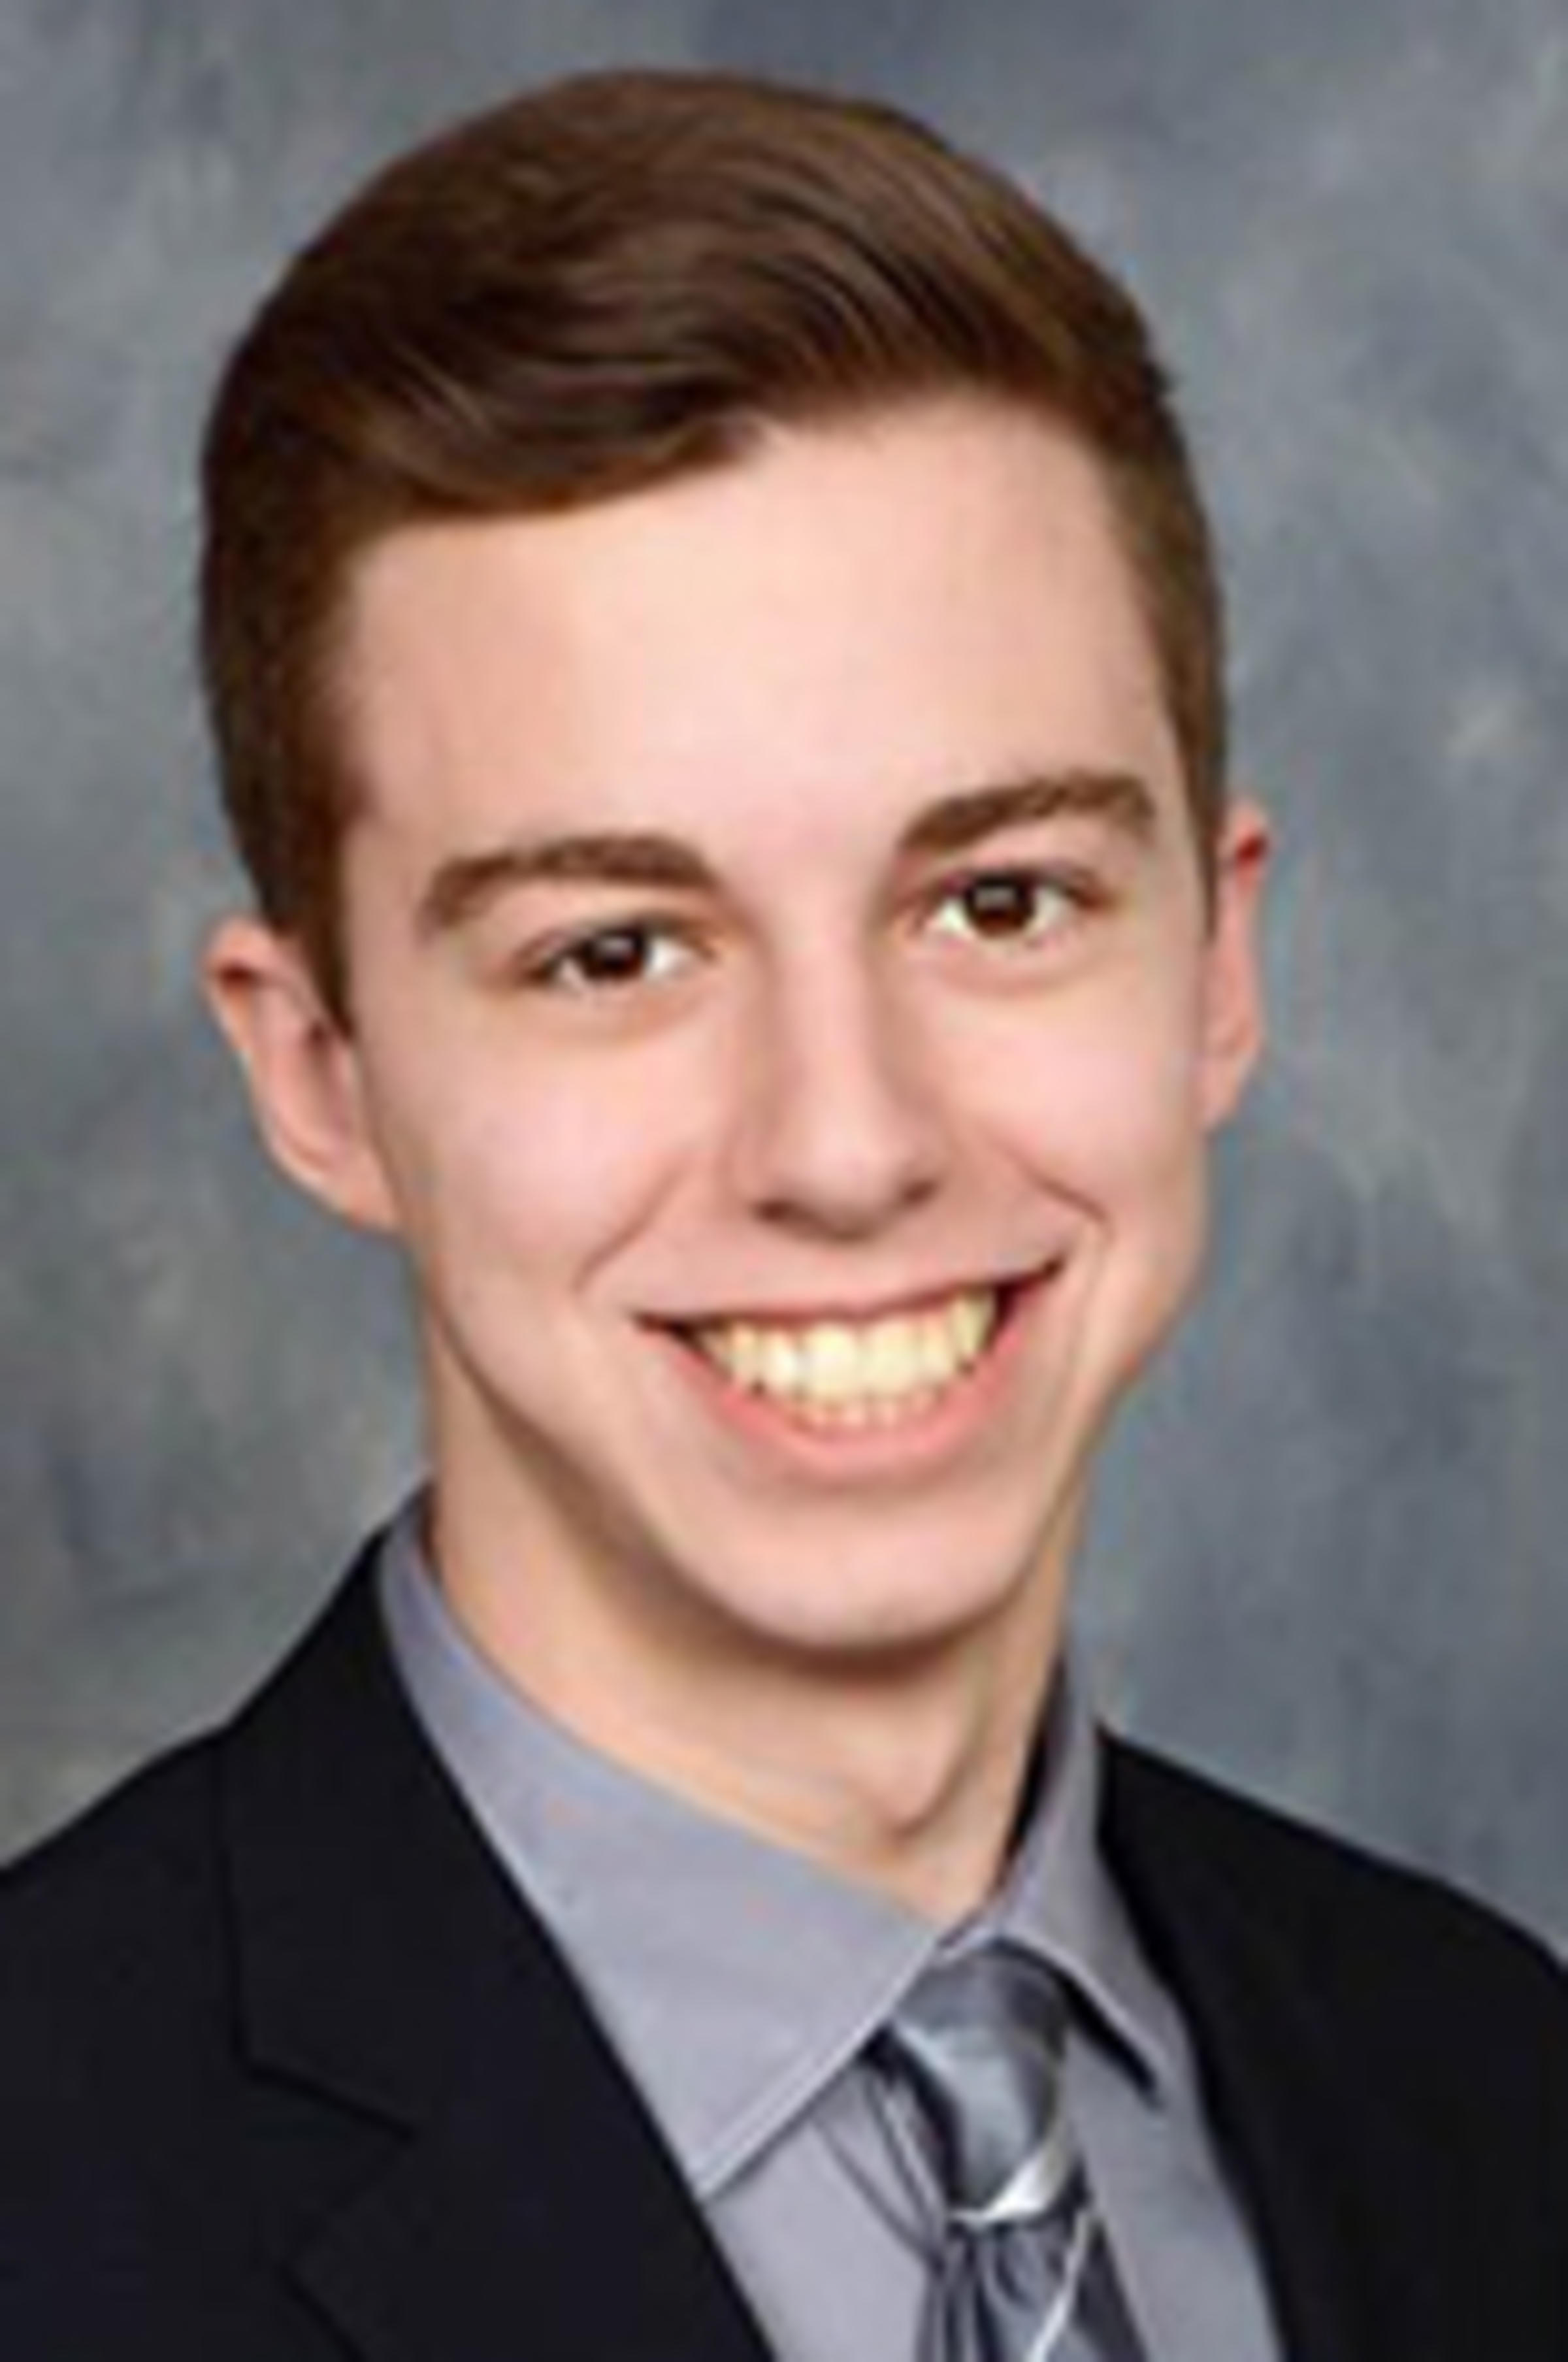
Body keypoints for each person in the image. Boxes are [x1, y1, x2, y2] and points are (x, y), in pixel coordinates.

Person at [1, 66, 1563, 2362]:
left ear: (1216, 970)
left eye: (999, 899)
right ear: (319, 1073)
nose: (846, 1145)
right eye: (614, 952)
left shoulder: (1491, 2093)